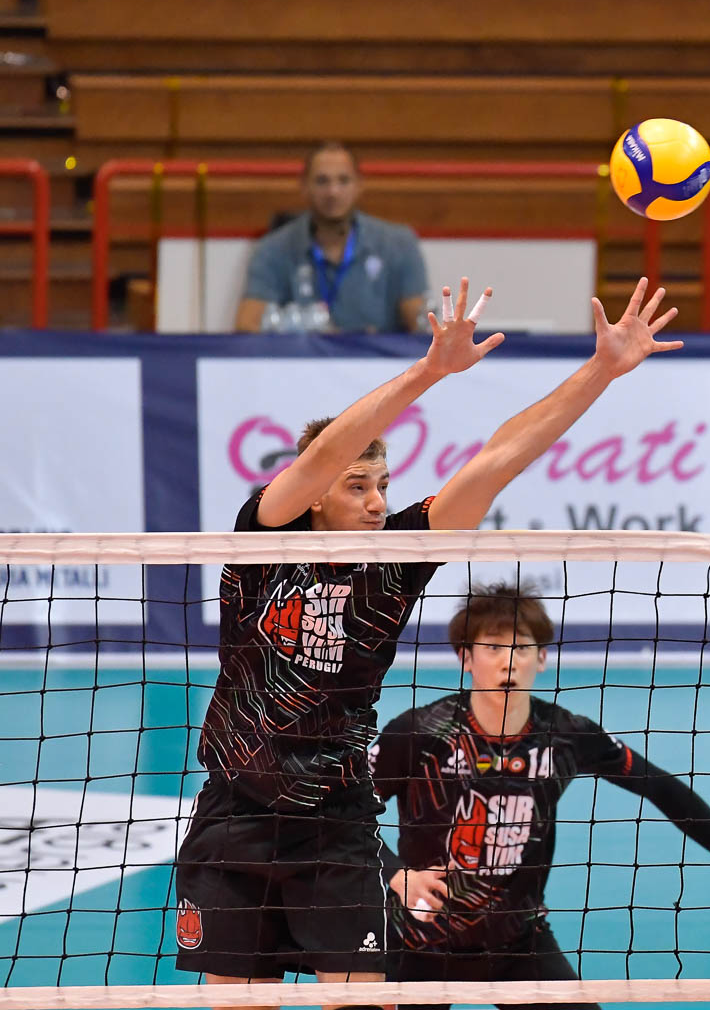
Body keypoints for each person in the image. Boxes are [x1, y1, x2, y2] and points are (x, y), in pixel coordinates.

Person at [174, 276, 682, 1010]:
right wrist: (430, 370)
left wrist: (601, 370)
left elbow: (499, 458)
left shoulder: (398, 557)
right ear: (314, 496)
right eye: (357, 486)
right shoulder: (263, 541)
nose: (377, 502)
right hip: (235, 819)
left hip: (336, 825)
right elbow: (317, 461)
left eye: (382, 483)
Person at [370, 584, 710, 1010]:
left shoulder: (564, 735)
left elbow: (660, 786)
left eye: (522, 648)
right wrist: (397, 874)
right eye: (493, 647)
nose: (508, 661)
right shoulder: (419, 733)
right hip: (418, 941)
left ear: (541, 658)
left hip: (517, 945)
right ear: (466, 658)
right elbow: (347, 811)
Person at [235, 142, 428, 334]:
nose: (333, 192)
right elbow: (246, 325)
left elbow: (422, 327)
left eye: (343, 180)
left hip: (375, 354)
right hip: (303, 354)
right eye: (322, 181)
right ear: (304, 186)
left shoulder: (398, 244)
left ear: (359, 185)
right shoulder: (273, 248)